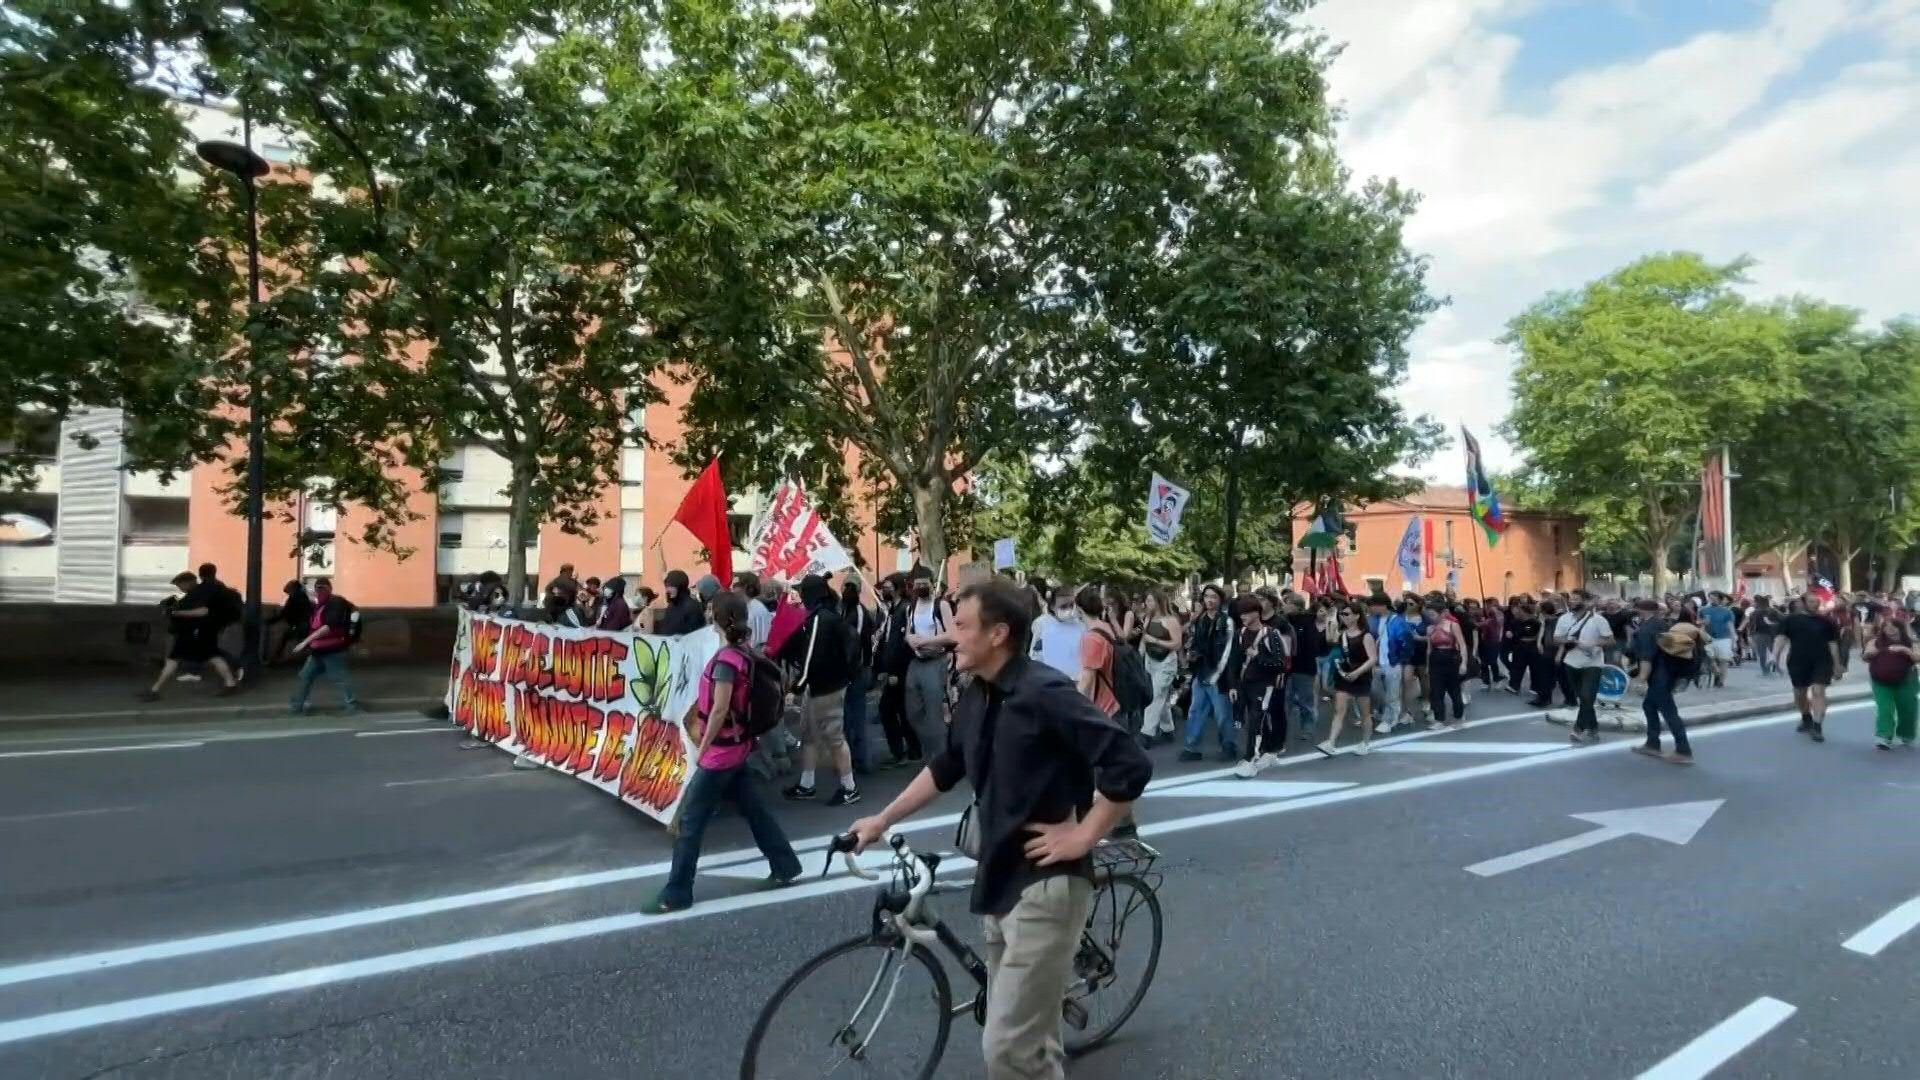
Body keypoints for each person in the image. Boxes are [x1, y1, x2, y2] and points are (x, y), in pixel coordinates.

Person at [846, 578, 1152, 1080]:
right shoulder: (978, 693)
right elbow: (946, 766)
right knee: (1032, 1043)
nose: (951, 635)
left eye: (962, 625)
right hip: (999, 879)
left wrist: (1082, 836)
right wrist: (881, 820)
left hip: (1046, 887)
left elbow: (1129, 764)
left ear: (998, 633)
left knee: (1007, 1049)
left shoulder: (1046, 692)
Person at [647, 592, 803, 913]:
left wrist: (702, 750)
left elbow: (719, 711)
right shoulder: (743, 653)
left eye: (709, 609)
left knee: (690, 822)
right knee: (755, 811)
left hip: (720, 753)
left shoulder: (725, 662)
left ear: (715, 616)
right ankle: (785, 864)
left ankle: (677, 892)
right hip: (739, 746)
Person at [778, 574, 861, 806]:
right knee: (810, 735)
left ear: (810, 594)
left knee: (834, 738)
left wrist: (797, 686)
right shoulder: (825, 616)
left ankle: (849, 788)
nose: (799, 596)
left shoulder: (819, 620)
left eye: (801, 592)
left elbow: (811, 657)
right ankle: (807, 784)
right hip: (825, 686)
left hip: (825, 688)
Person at [140, 571, 241, 701]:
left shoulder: (201, 594)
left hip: (196, 633)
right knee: (211, 657)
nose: (180, 588)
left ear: (189, 582)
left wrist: (177, 612)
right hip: (197, 632)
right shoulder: (198, 593)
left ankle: (155, 690)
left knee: (202, 657)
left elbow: (203, 611)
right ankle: (155, 690)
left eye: (180, 585)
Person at [1629, 599, 1702, 765]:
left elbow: (1647, 657)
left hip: (1659, 676)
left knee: (1669, 711)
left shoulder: (1646, 629)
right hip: (1669, 673)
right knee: (1649, 705)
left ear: (1641, 611)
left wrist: (1641, 679)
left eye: (1637, 610)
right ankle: (1652, 743)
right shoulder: (1662, 623)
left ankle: (1683, 750)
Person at [1231, 596, 1291, 777]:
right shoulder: (1239, 634)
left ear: (1257, 613)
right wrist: (1232, 685)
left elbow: (1280, 663)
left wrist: (1257, 656)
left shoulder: (1271, 634)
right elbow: (1233, 661)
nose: (1243, 616)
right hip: (1244, 684)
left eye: (1247, 613)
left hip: (1264, 685)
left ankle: (1251, 759)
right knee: (1253, 720)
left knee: (1256, 720)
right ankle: (1267, 751)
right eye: (1241, 613)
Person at [903, 573, 956, 762]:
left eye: (924, 583)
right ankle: (930, 751)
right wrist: (911, 640)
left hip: (936, 661)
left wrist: (927, 640)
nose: (921, 587)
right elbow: (908, 632)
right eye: (917, 584)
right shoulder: (911, 607)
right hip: (917, 662)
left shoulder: (941, 606)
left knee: (935, 713)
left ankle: (941, 758)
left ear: (932, 585)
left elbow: (952, 635)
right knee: (913, 712)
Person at [1181, 584, 1237, 762]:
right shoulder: (1199, 620)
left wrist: (1217, 675)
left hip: (1218, 676)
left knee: (1222, 713)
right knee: (1195, 711)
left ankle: (1228, 746)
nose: (1209, 600)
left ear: (1220, 600)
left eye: (1213, 597)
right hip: (1200, 672)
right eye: (1207, 597)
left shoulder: (1226, 621)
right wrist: (1191, 654)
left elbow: (1227, 652)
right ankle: (1191, 746)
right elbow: (1194, 642)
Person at [1776, 595, 1843, 743]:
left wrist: (1837, 664)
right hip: (1798, 661)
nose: (1815, 605)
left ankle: (1817, 726)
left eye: (1817, 602)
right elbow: (1780, 639)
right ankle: (1806, 717)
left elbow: (1833, 644)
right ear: (1803, 603)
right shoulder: (1790, 620)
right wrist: (1775, 658)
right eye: (1812, 602)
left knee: (1818, 691)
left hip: (1822, 661)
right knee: (1800, 693)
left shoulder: (1827, 621)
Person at [288, 577, 360, 714]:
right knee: (305, 677)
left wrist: (305, 642)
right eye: (317, 588)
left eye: (322, 588)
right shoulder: (320, 605)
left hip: (333, 649)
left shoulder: (335, 603)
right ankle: (296, 706)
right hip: (318, 650)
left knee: (339, 679)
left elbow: (328, 627)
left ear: (330, 589)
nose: (319, 591)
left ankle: (352, 706)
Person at [872, 575, 922, 768]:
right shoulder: (891, 611)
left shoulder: (905, 609)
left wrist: (895, 671)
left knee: (887, 710)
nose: (884, 591)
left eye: (888, 587)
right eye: (883, 587)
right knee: (901, 710)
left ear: (898, 588)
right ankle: (913, 749)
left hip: (900, 670)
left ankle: (900, 752)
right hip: (893, 670)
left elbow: (902, 645)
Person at [1553, 590, 1614, 744]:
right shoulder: (1564, 619)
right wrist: (1568, 641)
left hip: (1592, 663)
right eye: (1571, 599)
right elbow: (1556, 639)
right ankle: (1593, 728)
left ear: (1586, 602)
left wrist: (1593, 644)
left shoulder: (1598, 620)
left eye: (1576, 599)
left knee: (1588, 696)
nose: (1572, 601)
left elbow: (1610, 641)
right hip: (1571, 662)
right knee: (1584, 699)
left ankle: (1578, 728)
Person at [1318, 604, 1378, 756]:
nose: (1343, 617)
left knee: (1365, 712)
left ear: (1357, 616)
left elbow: (1372, 659)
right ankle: (1331, 742)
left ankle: (1365, 742)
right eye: (1342, 614)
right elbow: (1332, 647)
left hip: (1361, 676)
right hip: (1344, 676)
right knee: (1339, 710)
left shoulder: (1366, 636)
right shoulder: (1341, 634)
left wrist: (1358, 672)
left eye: (1347, 614)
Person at [1863, 616, 1919, 751]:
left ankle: (1906, 734)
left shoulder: (1911, 642)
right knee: (1884, 709)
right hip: (1880, 680)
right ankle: (1884, 736)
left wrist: (1905, 650)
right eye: (1886, 627)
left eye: (1893, 627)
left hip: (1906, 680)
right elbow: (1865, 656)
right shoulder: (1875, 641)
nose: (1890, 630)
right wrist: (1871, 653)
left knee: (1908, 709)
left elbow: (1917, 657)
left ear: (1900, 629)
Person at [840, 575, 877, 775]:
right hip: (850, 670)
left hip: (856, 670)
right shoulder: (844, 610)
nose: (847, 591)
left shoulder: (859, 613)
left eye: (850, 587)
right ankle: (853, 758)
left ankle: (861, 759)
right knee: (848, 718)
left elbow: (856, 642)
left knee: (856, 717)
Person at [1138, 590, 1183, 746]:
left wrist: (1155, 640)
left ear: (1159, 602)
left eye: (1151, 601)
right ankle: (1167, 728)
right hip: (1150, 660)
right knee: (1160, 697)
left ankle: (1147, 732)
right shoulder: (1147, 618)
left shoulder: (1171, 620)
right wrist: (1139, 656)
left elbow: (1177, 644)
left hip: (1166, 661)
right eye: (1147, 601)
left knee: (1156, 695)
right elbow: (1143, 637)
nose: (1148, 604)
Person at [1284, 593, 1323, 742]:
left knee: (1305, 701)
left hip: (1304, 668)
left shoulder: (1307, 622)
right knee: (1285, 700)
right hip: (1287, 668)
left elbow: (1313, 646)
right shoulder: (1284, 622)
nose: (1285, 606)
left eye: (1288, 603)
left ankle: (1308, 728)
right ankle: (1282, 729)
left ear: (1297, 606)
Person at [1425, 600, 1469, 730]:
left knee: (1454, 690)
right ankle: (1439, 719)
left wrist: (1464, 663)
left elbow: (1462, 644)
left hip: (1451, 658)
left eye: (1433, 614)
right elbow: (1429, 649)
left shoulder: (1452, 625)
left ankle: (1459, 717)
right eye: (1429, 614)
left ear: (1441, 614)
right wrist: (1428, 666)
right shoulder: (1430, 628)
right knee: (1436, 691)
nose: (1430, 617)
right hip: (1435, 659)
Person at [1029, 586, 1086, 680]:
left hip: (1075, 682)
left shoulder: (1081, 626)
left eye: (1071, 605)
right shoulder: (1042, 624)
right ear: (1052, 606)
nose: (1069, 609)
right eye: (1063, 606)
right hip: (1050, 681)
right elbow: (1036, 654)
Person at [269, 579, 314, 665]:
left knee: (286, 637)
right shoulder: (302, 597)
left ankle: (275, 658)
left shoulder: (295, 599)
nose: (288, 593)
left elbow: (285, 613)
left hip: (301, 625)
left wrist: (270, 621)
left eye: (289, 591)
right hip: (303, 625)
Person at [653, 569, 705, 635]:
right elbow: (667, 626)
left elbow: (694, 634)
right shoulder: (672, 605)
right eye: (667, 586)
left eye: (672, 586)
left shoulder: (692, 607)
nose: (668, 589)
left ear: (681, 587)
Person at [1701, 592, 1736, 688]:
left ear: (1719, 599)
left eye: (1714, 598)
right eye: (1710, 598)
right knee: (1709, 658)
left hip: (1724, 638)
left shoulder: (1727, 611)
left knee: (1723, 660)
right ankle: (1717, 672)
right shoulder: (1703, 610)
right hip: (1709, 638)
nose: (1712, 600)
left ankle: (1721, 681)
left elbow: (1730, 626)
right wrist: (1702, 627)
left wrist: (1734, 640)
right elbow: (1701, 624)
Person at [1748, 596, 1783, 677]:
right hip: (1771, 634)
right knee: (1774, 652)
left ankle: (1765, 670)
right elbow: (1782, 619)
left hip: (1758, 634)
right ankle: (1776, 667)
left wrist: (1751, 635)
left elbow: (1751, 625)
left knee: (1762, 654)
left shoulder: (1754, 612)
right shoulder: (1773, 611)